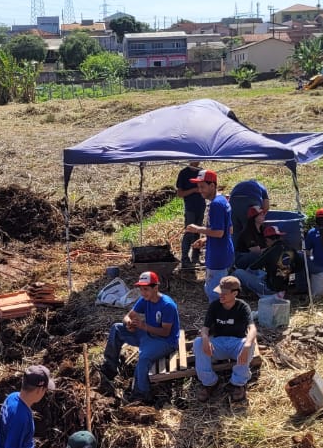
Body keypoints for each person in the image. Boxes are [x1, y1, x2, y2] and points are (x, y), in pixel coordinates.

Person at [98, 271, 180, 404]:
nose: (143, 293)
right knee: (117, 328)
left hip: (165, 341)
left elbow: (165, 332)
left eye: (146, 289)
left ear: (156, 287)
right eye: (141, 289)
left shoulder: (167, 305)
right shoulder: (144, 300)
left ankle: (141, 394)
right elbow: (128, 316)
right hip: (147, 335)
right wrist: (128, 323)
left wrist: (143, 326)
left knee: (144, 358)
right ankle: (110, 367)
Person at [193, 275, 257, 404]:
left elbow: (252, 328)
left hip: (236, 344)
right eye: (219, 292)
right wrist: (205, 339)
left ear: (235, 293)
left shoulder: (242, 306)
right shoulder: (215, 306)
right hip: (219, 344)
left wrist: (247, 345)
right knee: (198, 342)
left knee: (249, 343)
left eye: (224, 293)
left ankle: (238, 383)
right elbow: (205, 328)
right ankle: (209, 382)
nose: (220, 295)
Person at [184, 170, 234, 301]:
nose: (200, 190)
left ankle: (218, 318)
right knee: (218, 289)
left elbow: (219, 232)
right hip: (224, 252)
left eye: (203, 187)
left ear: (212, 185)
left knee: (214, 293)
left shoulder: (216, 205)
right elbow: (229, 230)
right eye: (198, 187)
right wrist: (206, 239)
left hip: (218, 255)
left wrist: (197, 229)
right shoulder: (223, 200)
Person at [233, 209, 291, 298]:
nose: (264, 215)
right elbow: (256, 252)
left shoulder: (263, 231)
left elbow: (260, 257)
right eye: (260, 214)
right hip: (243, 258)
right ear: (254, 218)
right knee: (257, 261)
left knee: (238, 272)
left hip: (267, 289)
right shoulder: (248, 232)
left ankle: (248, 289)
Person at [175, 160, 207, 271]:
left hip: (201, 206)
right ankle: (184, 259)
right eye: (195, 159)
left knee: (198, 232)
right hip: (190, 208)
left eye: (199, 159)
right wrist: (194, 190)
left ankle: (195, 258)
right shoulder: (184, 173)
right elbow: (180, 194)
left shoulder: (202, 172)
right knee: (189, 232)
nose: (197, 161)